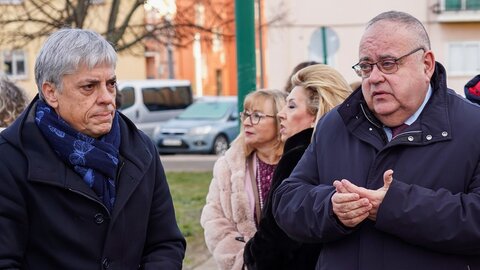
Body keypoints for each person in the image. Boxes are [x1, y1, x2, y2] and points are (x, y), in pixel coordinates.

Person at [273, 10, 480, 270]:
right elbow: (287, 200)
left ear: (426, 65)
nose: (374, 77)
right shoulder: (335, 124)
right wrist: (331, 208)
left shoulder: (473, 127)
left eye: (388, 63)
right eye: (366, 66)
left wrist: (395, 206)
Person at [0, 28, 186, 269]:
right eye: (89, 87)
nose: (107, 97)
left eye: (111, 84)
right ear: (51, 92)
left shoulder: (141, 149)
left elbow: (165, 244)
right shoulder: (10, 159)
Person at [244, 64, 352, 269]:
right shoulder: (346, 155)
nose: (281, 114)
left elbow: (274, 242)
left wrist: (251, 254)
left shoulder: (297, 158)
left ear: (315, 115)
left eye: (292, 106)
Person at [200, 89, 287, 270]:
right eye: (246, 114)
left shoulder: (298, 163)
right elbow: (214, 219)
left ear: (280, 120)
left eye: (257, 116)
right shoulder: (228, 166)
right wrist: (243, 261)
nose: (247, 122)